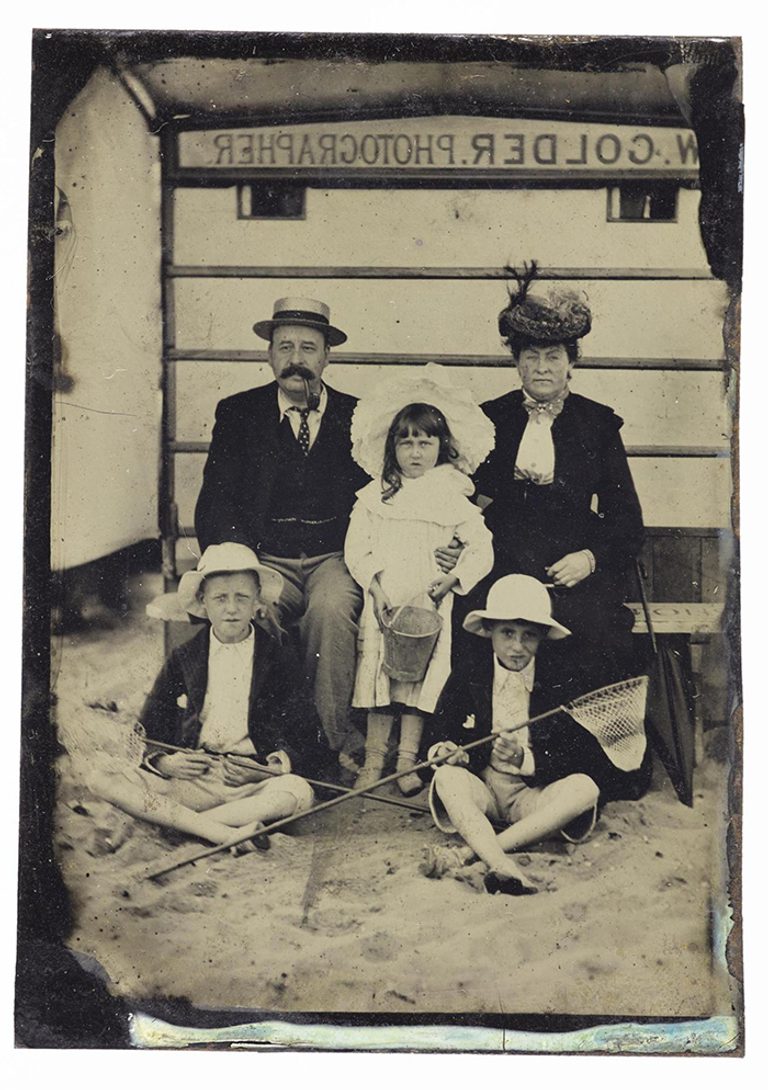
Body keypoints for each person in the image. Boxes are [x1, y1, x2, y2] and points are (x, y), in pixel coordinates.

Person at [194, 297, 461, 775]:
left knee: (334, 611)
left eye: (308, 348)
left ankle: (335, 742)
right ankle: (268, 738)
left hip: (333, 557)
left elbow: (406, 486)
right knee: (259, 612)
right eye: (286, 347)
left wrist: (447, 533)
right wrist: (237, 569)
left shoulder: (357, 418)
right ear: (269, 355)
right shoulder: (238, 413)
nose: (297, 359)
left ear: (326, 358)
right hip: (263, 557)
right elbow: (215, 502)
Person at [421, 574, 651, 896]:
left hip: (533, 797)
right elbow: (439, 730)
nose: (517, 646)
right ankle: (500, 864)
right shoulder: (469, 671)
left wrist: (525, 759)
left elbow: (579, 754)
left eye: (529, 635)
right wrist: (447, 751)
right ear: (489, 631)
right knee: (446, 778)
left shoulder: (559, 677)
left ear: (543, 637)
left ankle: (474, 853)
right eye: (507, 633)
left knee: (585, 788)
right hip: (482, 790)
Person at [472, 263, 645, 685]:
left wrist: (589, 559)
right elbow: (461, 496)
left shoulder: (598, 424)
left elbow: (627, 519)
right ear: (517, 363)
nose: (543, 367)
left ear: (572, 363)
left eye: (554, 356)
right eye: (531, 356)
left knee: (587, 629)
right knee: (475, 619)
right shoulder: (488, 419)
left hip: (569, 560)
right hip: (501, 555)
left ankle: (567, 744)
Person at [86, 544, 315, 847]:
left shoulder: (278, 657)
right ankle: (223, 832)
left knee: (297, 793)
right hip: (193, 780)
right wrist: (166, 763)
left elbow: (307, 732)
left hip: (249, 784)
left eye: (242, 597)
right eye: (220, 598)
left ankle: (182, 825)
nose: (231, 608)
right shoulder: (185, 656)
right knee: (100, 776)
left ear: (257, 602)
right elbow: (147, 728)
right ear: (203, 602)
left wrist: (267, 769)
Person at [344, 364, 494, 795]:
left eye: (425, 442)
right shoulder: (375, 496)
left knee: (416, 684)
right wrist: (373, 588)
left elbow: (481, 546)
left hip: (430, 605)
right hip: (387, 603)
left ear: (441, 447)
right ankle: (375, 760)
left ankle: (406, 762)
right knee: (379, 677)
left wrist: (454, 580)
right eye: (405, 442)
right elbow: (358, 547)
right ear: (392, 447)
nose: (415, 452)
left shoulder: (452, 496)